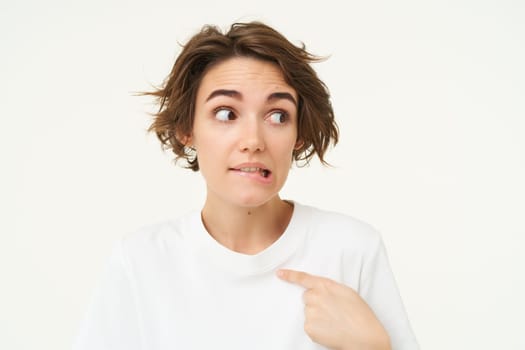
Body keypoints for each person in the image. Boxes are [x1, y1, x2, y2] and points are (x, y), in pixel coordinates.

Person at [73, 22, 419, 350]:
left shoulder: (352, 249)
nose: (253, 141)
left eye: (278, 115)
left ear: (298, 135)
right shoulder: (140, 262)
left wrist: (373, 346)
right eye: (226, 113)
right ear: (187, 130)